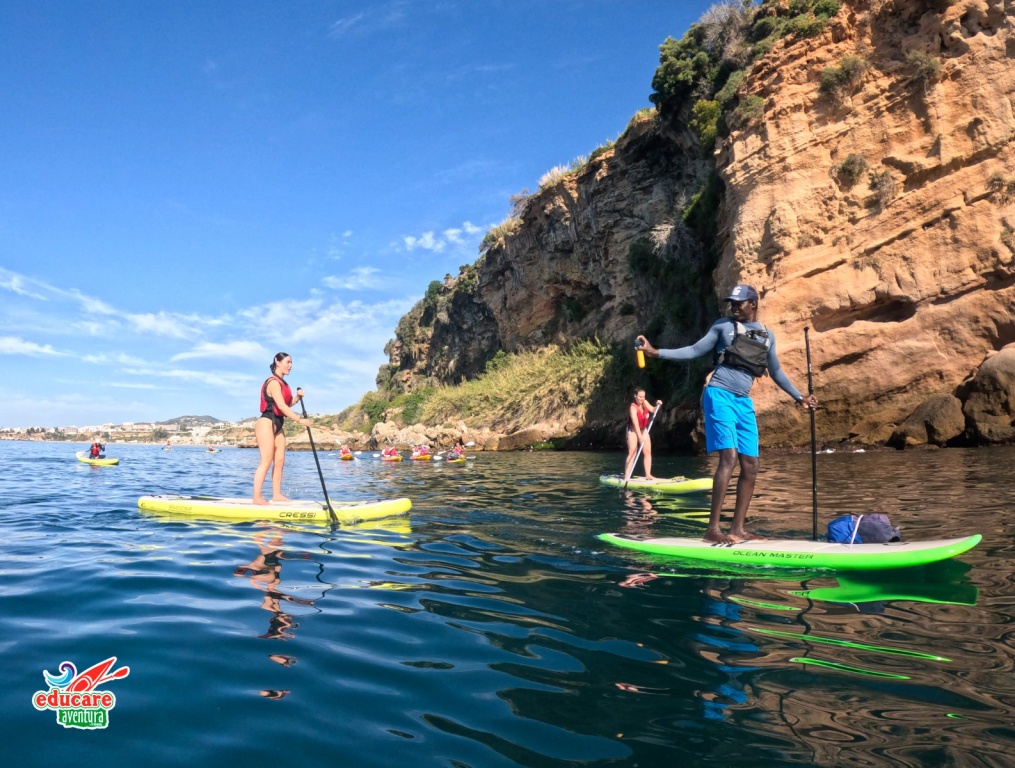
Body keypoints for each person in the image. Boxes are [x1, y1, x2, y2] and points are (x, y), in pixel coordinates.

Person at [637, 284, 817, 544]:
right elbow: (695, 350)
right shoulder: (723, 326)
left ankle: (738, 529)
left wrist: (799, 396)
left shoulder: (767, 335)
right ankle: (712, 529)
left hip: (743, 402)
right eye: (732, 302)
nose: (734, 306)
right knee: (729, 458)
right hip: (719, 395)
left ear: (753, 304)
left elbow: (776, 372)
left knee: (751, 465)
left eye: (739, 302)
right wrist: (656, 352)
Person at [253, 352, 313, 505]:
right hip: (267, 422)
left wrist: (297, 398)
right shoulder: (273, 382)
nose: (290, 365)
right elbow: (280, 406)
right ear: (277, 362)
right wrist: (300, 420)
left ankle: (277, 494)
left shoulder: (284, 384)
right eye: (287, 362)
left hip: (278, 424)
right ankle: (257, 497)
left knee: (279, 461)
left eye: (291, 362)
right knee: (266, 460)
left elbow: (286, 404)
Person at [624, 387, 662, 481]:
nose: (642, 399)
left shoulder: (644, 402)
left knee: (647, 451)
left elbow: (653, 410)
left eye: (643, 397)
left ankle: (648, 475)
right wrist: (640, 437)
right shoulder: (633, 407)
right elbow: (635, 423)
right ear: (635, 396)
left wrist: (658, 405)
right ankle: (626, 477)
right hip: (633, 430)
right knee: (633, 451)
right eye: (640, 397)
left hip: (643, 429)